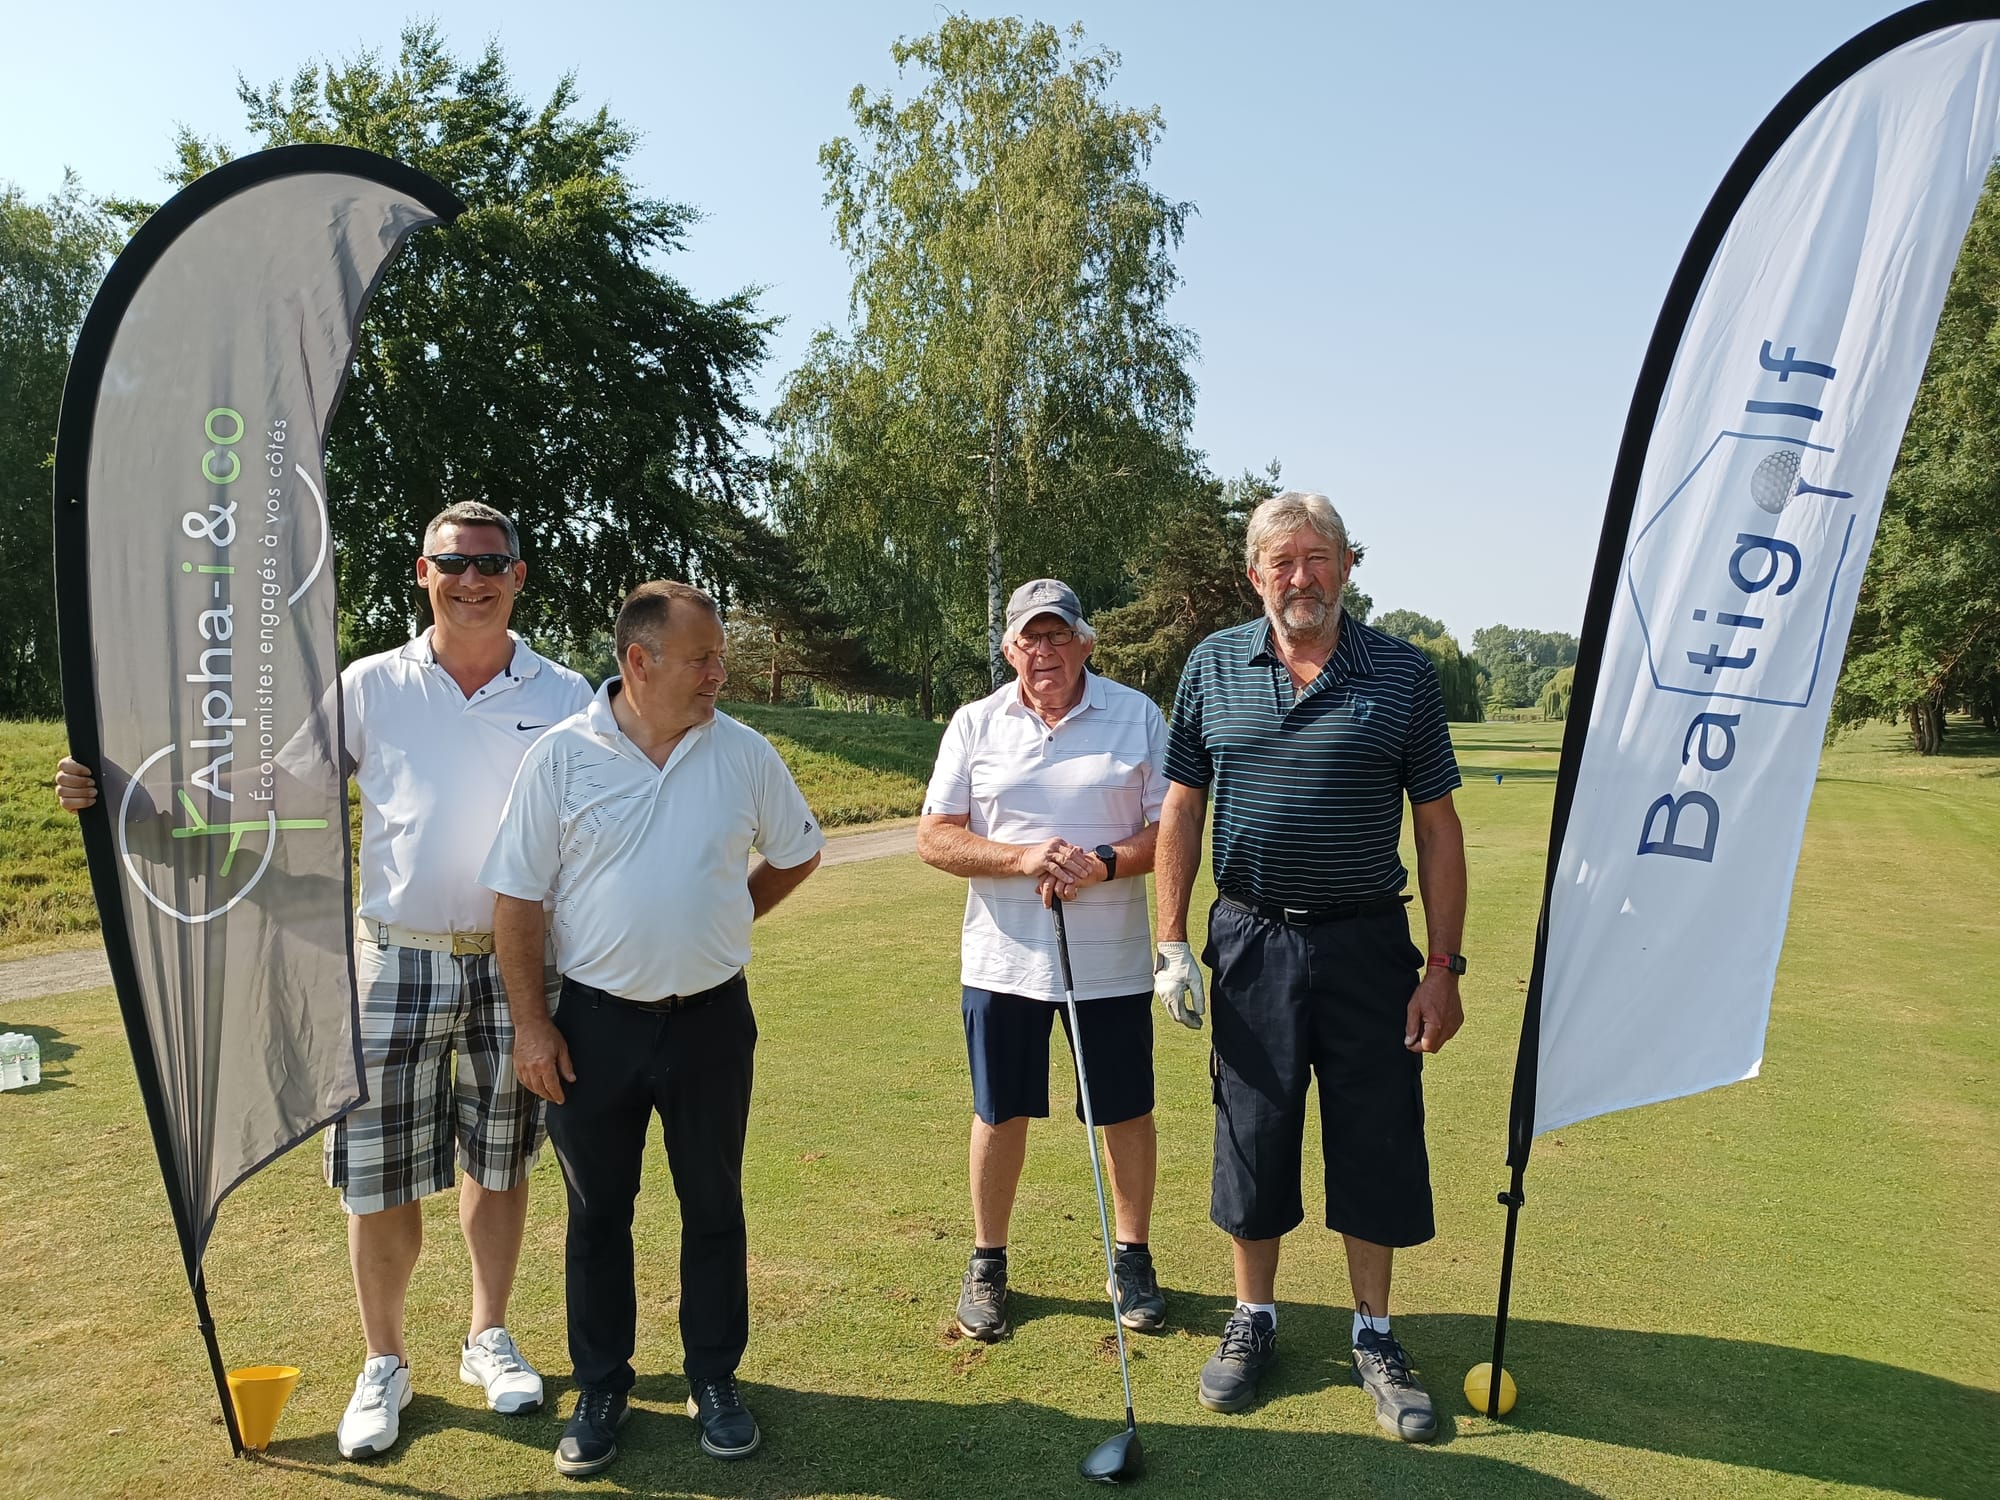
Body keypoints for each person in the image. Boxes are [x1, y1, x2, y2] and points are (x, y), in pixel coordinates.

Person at [56, 501, 593, 1459]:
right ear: (422, 574)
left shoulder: (564, 694)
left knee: (500, 1158)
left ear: (519, 575)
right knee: (380, 1173)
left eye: (491, 564)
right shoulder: (372, 684)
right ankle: (384, 1360)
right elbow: (276, 789)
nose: (471, 581)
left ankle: (488, 1335)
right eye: (452, 564)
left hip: (518, 965)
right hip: (395, 960)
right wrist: (141, 801)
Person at [481, 580, 823, 1478]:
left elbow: (797, 851)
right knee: (599, 1214)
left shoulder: (743, 752)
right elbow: (516, 898)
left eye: (719, 658)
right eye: (702, 659)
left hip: (713, 1023)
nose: (718, 674)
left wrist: (730, 918)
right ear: (639, 661)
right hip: (594, 1027)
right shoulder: (561, 757)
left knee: (714, 1206)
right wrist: (531, 1027)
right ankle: (602, 1388)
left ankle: (714, 1379)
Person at [1151, 491, 1467, 1442]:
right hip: (1252, 941)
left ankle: (1375, 1333)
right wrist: (1171, 943)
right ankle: (1254, 1318)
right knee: (1252, 1132)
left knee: (1375, 1134)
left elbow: (1438, 830)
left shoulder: (1402, 673)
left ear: (1347, 565)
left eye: (1317, 557)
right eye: (1282, 562)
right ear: (1255, 575)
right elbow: (1181, 807)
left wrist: (1443, 967)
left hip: (1369, 945)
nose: (1301, 577)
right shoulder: (1212, 665)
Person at [917, 578, 1173, 1345]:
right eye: (1030, 638)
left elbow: (1171, 829)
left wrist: (1101, 861)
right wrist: (1021, 856)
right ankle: (987, 1262)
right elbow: (935, 835)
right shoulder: (975, 723)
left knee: (1124, 1109)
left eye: (1058, 635)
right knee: (1000, 1111)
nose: (1045, 651)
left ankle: (1132, 1259)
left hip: (1111, 963)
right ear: (1009, 649)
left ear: (1085, 642)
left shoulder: (1137, 715)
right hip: (1003, 963)